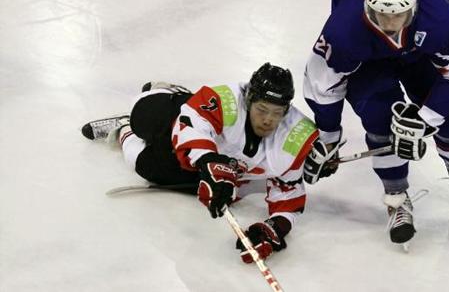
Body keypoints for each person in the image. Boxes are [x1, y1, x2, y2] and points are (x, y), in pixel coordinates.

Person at [302, 0, 449, 246]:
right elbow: (322, 84)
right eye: (382, 15)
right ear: (368, 6)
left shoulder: (440, 15)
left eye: (398, 15)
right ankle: (397, 199)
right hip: (368, 65)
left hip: (419, 56)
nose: (390, 23)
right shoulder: (344, 30)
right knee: (381, 118)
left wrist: (426, 119)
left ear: (414, 6)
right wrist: (329, 136)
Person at [81, 63, 318, 263]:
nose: (268, 120)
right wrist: (210, 161)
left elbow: (289, 197)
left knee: (142, 165)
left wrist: (274, 228)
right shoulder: (227, 99)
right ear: (249, 99)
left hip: (208, 173)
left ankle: (122, 129)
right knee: (140, 113)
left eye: (277, 113)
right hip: (189, 132)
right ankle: (170, 93)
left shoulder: (294, 136)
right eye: (262, 109)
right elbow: (191, 124)